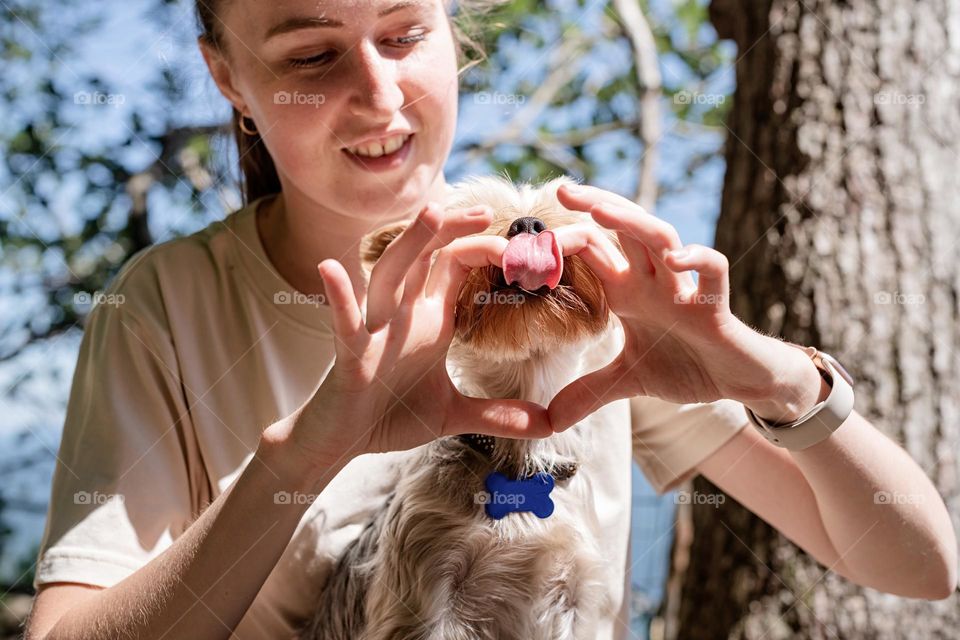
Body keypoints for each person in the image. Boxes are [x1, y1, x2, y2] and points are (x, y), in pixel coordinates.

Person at [25, 0, 958, 638]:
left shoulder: (583, 292)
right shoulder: (171, 306)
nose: (379, 94)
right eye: (313, 54)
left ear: (451, 36)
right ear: (227, 77)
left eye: (403, 35)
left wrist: (773, 377)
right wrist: (304, 455)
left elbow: (921, 566)